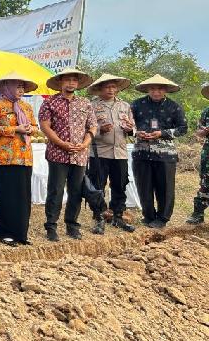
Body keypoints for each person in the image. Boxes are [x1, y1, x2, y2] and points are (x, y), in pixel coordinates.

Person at [39, 68, 97, 242]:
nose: (71, 83)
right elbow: (45, 126)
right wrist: (62, 144)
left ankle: (72, 225)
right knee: (55, 190)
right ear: (60, 82)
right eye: (67, 80)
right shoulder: (49, 102)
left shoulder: (85, 103)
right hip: (58, 154)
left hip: (80, 155)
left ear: (77, 83)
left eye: (74, 80)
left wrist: (85, 144)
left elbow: (92, 126)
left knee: (76, 191)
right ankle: (51, 226)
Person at [0, 72, 38, 246]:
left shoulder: (26, 107)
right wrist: (15, 129)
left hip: (24, 157)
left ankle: (21, 233)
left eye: (22, 86)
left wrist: (29, 129)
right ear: (6, 87)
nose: (20, 90)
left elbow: (35, 127)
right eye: (17, 86)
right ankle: (5, 233)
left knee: (22, 196)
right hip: (3, 158)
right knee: (6, 196)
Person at [131, 74, 187, 228]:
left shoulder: (174, 106)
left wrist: (163, 133)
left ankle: (162, 219)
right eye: (153, 88)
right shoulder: (136, 105)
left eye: (160, 89)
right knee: (143, 185)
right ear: (148, 89)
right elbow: (127, 125)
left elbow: (183, 129)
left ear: (166, 90)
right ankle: (148, 216)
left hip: (165, 154)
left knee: (165, 187)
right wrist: (137, 133)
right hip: (141, 152)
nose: (156, 92)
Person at [86, 73, 136, 234]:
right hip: (99, 152)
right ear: (99, 89)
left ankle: (118, 216)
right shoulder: (92, 106)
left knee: (120, 184)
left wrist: (130, 130)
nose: (111, 89)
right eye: (107, 87)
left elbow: (132, 127)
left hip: (120, 152)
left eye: (113, 87)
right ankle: (99, 216)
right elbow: (85, 130)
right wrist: (100, 130)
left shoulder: (125, 106)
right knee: (98, 185)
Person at [187, 83, 209, 224]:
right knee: (206, 182)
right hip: (208, 152)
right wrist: (205, 131)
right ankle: (198, 214)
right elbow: (198, 133)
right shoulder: (206, 112)